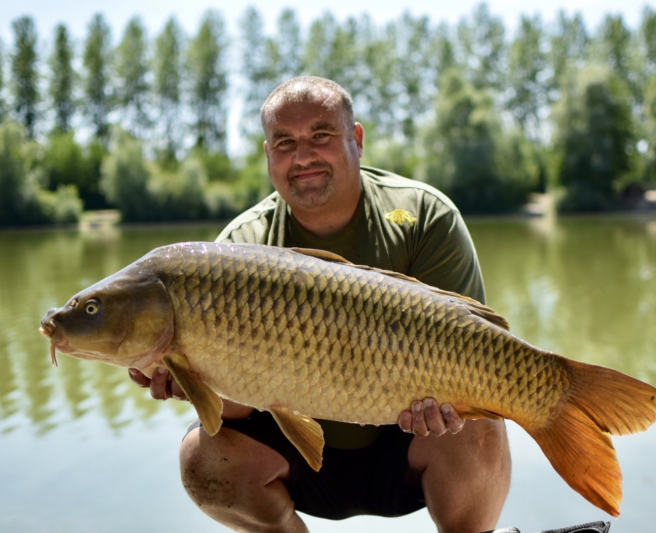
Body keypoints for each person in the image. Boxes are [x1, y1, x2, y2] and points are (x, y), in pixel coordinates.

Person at [129, 76, 511, 533]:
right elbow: (237, 411)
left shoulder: (425, 217)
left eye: (321, 136)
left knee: (483, 418)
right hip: (297, 460)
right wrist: (194, 381)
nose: (303, 156)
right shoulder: (237, 249)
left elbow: (478, 349)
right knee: (203, 457)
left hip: (409, 443)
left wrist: (448, 402)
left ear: (357, 139)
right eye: (284, 142)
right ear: (267, 154)